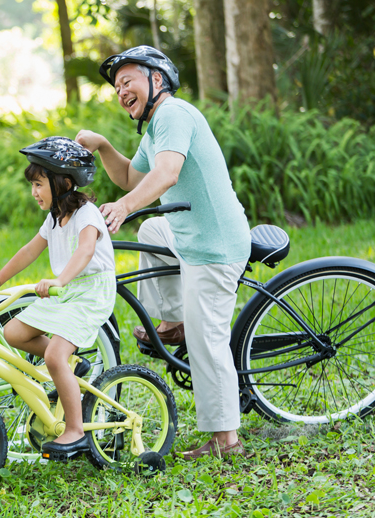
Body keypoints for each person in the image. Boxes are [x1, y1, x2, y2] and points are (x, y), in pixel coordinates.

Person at [75, 45, 251, 460]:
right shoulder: (156, 128)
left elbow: (167, 174)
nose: (121, 91)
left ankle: (227, 441)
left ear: (156, 80)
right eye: (117, 87)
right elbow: (131, 177)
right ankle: (174, 323)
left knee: (209, 340)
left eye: (127, 81)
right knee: (155, 228)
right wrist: (103, 146)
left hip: (214, 246)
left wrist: (123, 208)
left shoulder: (173, 114)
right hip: (191, 238)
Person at [0, 137, 116, 460]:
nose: (34, 192)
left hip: (90, 291)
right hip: (65, 290)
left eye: (39, 184)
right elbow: (29, 250)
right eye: (33, 185)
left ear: (64, 182)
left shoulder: (86, 214)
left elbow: (85, 250)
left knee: (53, 355)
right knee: (14, 332)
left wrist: (60, 279)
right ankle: (74, 364)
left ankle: (76, 430)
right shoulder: (54, 218)